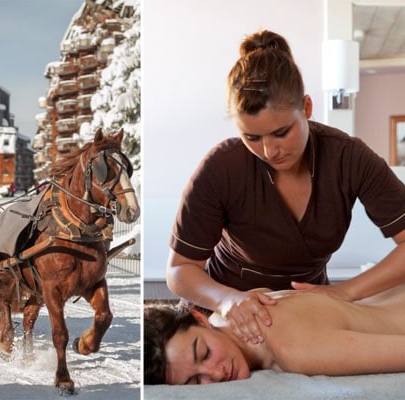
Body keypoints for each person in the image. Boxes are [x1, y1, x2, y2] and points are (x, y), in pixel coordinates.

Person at [166, 29, 405, 345]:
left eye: (281, 132)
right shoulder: (221, 166)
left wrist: (345, 292)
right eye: (251, 137)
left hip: (303, 315)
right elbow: (180, 270)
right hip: (219, 320)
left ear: (306, 108)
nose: (269, 151)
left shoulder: (349, 157)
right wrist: (226, 300)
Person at [144, 286, 405, 385]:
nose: (216, 373)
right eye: (195, 383)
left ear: (200, 318)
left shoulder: (297, 352)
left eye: (205, 354)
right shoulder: (234, 310)